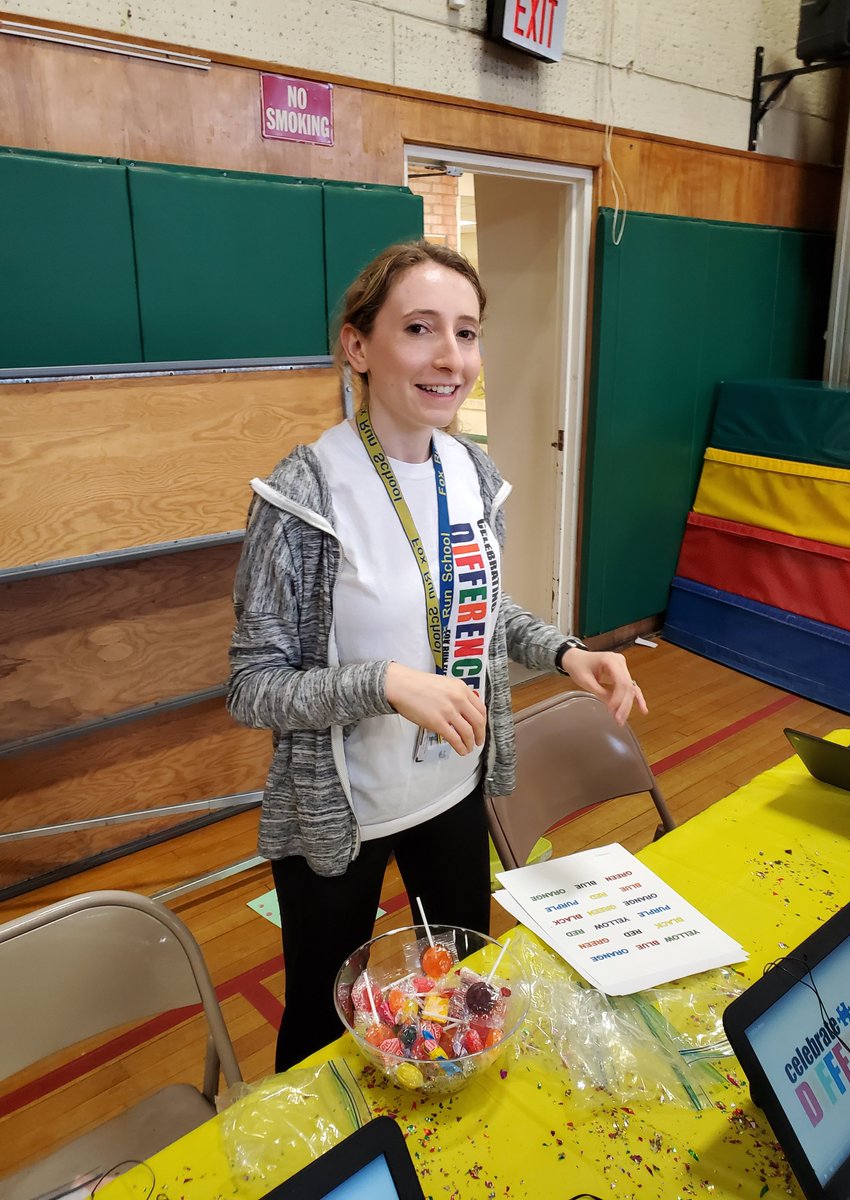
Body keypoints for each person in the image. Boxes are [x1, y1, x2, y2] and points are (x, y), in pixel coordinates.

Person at [227, 240, 647, 1070]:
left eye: (467, 332)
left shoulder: (474, 473)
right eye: (420, 329)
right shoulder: (306, 492)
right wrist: (384, 684)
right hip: (339, 816)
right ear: (358, 346)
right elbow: (253, 686)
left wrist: (566, 654)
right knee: (321, 1026)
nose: (450, 358)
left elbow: (480, 617)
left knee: (459, 994)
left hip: (453, 787)